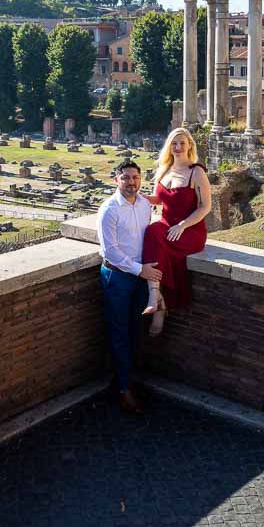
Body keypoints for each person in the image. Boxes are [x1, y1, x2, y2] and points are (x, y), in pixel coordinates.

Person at [97, 160, 161, 414]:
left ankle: (127, 380)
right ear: (116, 180)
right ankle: (123, 389)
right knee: (119, 333)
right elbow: (110, 252)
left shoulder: (145, 205)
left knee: (135, 330)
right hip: (118, 277)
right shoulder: (109, 210)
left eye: (135, 177)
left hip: (138, 275)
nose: (131, 182)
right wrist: (140, 270)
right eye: (125, 177)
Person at [141, 127, 212, 337]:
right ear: (169, 146)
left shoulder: (196, 171)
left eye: (182, 143)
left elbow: (205, 207)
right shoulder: (164, 169)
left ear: (190, 145)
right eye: (174, 143)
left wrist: (182, 225)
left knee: (156, 238)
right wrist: (137, 195)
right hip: (166, 226)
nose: (178, 147)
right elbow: (157, 200)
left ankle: (158, 301)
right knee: (153, 232)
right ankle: (158, 298)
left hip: (190, 231)